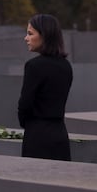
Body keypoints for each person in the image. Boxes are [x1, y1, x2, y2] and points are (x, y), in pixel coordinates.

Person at [17, 14, 73, 160]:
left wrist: (29, 125)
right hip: (60, 135)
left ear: (44, 36)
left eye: (30, 33)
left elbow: (24, 105)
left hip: (37, 137)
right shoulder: (66, 66)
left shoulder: (34, 66)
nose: (26, 38)